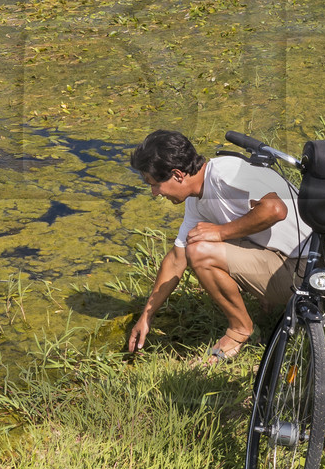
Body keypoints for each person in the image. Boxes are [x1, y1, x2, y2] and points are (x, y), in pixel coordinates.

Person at [125, 129, 310, 362]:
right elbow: (176, 259)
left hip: (306, 274)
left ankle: (240, 330)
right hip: (290, 266)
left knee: (201, 249)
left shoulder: (225, 173)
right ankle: (268, 304)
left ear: (178, 175)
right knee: (199, 238)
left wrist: (220, 232)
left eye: (154, 184)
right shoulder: (198, 198)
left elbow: (275, 209)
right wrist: (146, 316)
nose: (154, 193)